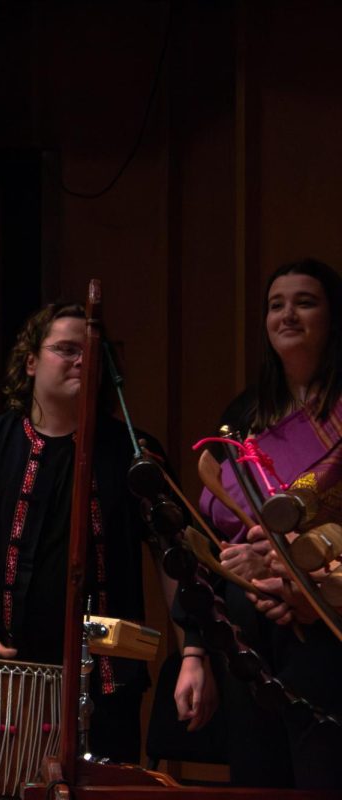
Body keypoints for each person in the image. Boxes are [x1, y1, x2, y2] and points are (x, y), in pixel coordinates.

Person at [0, 302, 151, 763]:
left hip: (105, 680)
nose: (81, 360)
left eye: (92, 353)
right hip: (3, 674)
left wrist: (194, 657)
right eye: (66, 349)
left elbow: (172, 559)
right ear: (30, 362)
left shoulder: (134, 452)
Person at [192, 258, 342, 790]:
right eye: (276, 305)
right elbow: (216, 526)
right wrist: (193, 649)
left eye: (306, 302)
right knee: (257, 776)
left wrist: (294, 565)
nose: (288, 315)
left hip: (326, 622)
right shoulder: (246, 414)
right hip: (247, 620)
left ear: (333, 316)